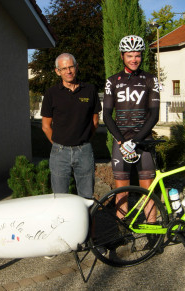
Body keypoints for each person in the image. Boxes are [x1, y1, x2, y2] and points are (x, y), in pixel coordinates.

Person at [103, 35, 161, 221]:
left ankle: (152, 231)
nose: (134, 59)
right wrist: (121, 140)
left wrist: (136, 141)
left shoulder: (151, 80)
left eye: (137, 55)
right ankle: (122, 231)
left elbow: (154, 115)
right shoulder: (112, 81)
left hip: (144, 143)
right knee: (122, 193)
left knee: (148, 191)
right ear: (122, 56)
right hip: (121, 144)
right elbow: (106, 115)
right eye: (130, 56)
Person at [41, 53, 102, 199]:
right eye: (64, 68)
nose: (68, 71)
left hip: (84, 151)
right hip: (59, 153)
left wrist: (84, 140)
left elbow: (94, 122)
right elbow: (46, 126)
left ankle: (87, 222)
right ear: (58, 71)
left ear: (76, 67)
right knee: (60, 198)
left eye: (71, 67)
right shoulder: (51, 93)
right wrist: (58, 144)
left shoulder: (89, 90)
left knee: (86, 197)